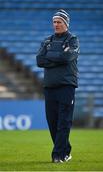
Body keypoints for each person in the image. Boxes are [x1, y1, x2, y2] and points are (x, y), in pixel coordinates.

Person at [36, 9, 80, 163]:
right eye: (54, 22)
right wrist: (58, 57)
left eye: (59, 22)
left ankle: (57, 156)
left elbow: (67, 57)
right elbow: (39, 60)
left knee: (64, 121)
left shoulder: (72, 39)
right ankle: (66, 151)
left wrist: (51, 56)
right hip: (49, 86)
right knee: (52, 122)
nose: (56, 24)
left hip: (67, 86)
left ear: (66, 23)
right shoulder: (47, 40)